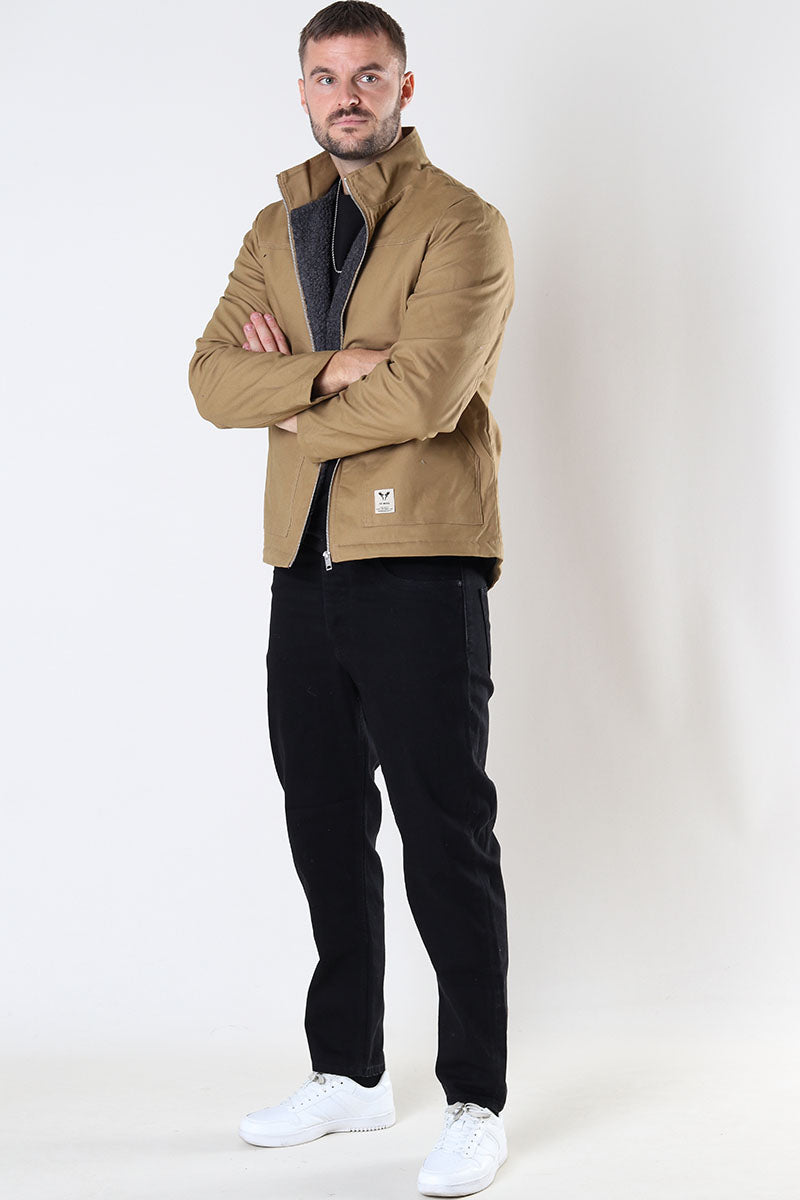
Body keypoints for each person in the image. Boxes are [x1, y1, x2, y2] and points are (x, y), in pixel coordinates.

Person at [188, 3, 515, 1195]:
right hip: (304, 565)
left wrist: (286, 404)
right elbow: (209, 379)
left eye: (368, 75)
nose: (346, 95)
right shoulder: (274, 225)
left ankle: (474, 1098)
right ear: (302, 91)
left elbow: (425, 396)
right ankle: (349, 1072)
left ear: (403, 87)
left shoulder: (462, 224)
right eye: (326, 77)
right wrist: (328, 368)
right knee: (324, 822)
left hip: (420, 562)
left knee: (443, 830)